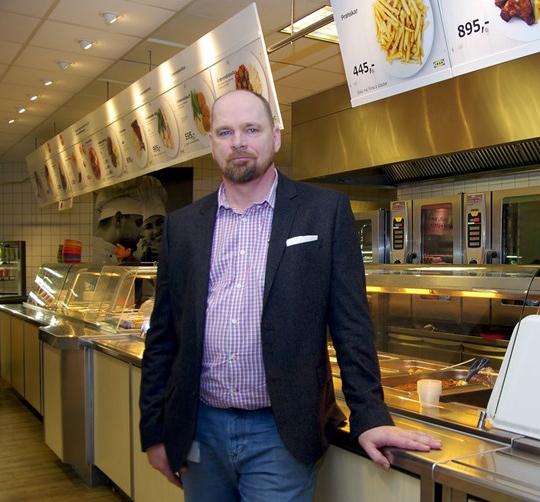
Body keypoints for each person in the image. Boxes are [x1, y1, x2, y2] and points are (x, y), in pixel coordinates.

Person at [139, 89, 441, 501]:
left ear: (276, 137)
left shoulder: (324, 211)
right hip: (198, 428)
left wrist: (369, 416)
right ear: (212, 143)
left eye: (252, 129)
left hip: (281, 432)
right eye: (225, 132)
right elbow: (163, 338)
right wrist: (154, 431)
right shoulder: (184, 226)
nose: (238, 142)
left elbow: (352, 325)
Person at [92, 180, 145, 263]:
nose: (142, 234)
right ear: (118, 219)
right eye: (138, 223)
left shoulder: (111, 254)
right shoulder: (94, 257)